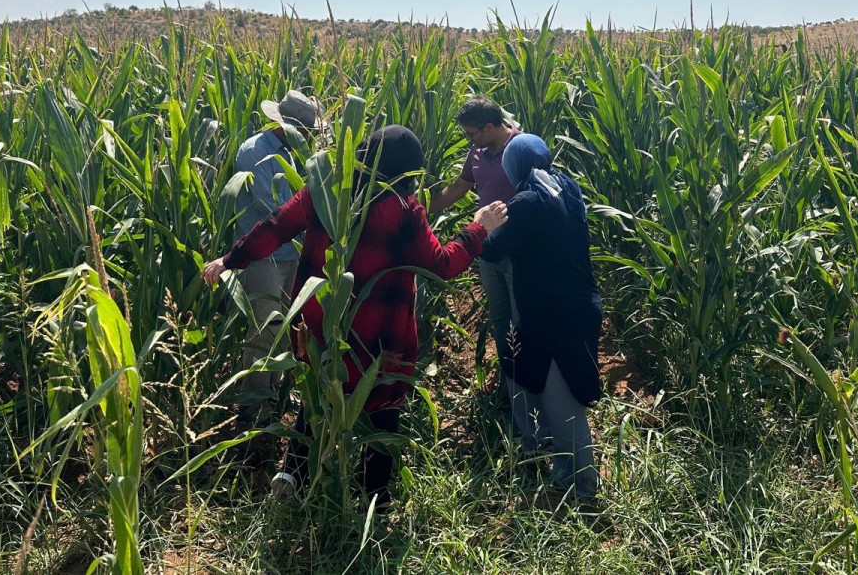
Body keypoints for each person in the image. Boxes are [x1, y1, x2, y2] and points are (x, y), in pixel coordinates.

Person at [201, 126, 507, 506]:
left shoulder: (326, 190)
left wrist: (230, 259)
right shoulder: (403, 209)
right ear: (407, 170)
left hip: (319, 322)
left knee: (321, 388)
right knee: (383, 408)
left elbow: (275, 228)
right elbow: (442, 264)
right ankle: (373, 499)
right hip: (380, 335)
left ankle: (292, 477)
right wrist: (480, 229)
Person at [480, 134, 603, 501]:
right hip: (579, 306)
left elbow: (491, 250)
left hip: (552, 314)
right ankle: (553, 457)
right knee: (549, 382)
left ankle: (581, 485)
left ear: (512, 166)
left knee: (563, 401)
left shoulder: (527, 201)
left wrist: (485, 224)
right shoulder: (567, 188)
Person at [428, 97, 548, 450]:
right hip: (486, 249)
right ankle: (508, 386)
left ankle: (531, 397)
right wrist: (422, 209)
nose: (469, 141)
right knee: (500, 319)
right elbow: (458, 188)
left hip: (521, 252)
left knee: (521, 319)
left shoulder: (522, 149)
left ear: (492, 127)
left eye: (472, 134)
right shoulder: (478, 154)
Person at [230, 89, 321, 416]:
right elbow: (273, 211)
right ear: (283, 124)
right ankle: (253, 406)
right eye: (305, 131)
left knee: (288, 326)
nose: (308, 138)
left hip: (292, 253)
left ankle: (276, 393)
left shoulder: (296, 152)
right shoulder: (256, 151)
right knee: (266, 329)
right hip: (263, 255)